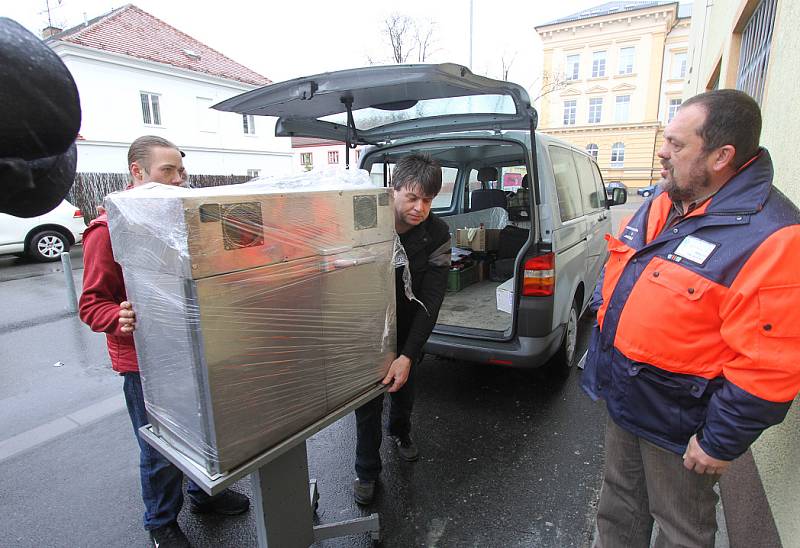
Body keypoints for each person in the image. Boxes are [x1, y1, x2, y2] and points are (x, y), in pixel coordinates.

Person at [582, 89, 800, 547]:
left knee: (682, 529)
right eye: (666, 140)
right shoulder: (668, 200)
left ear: (722, 156)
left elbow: (770, 363)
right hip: (626, 397)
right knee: (617, 508)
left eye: (678, 145)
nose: (663, 153)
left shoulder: (775, 236)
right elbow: (620, 270)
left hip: (682, 420)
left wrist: (720, 440)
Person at [79, 136, 249, 548]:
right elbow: (90, 303)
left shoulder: (178, 220)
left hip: (190, 350)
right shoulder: (106, 232)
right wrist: (114, 316)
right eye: (167, 171)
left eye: (180, 171)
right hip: (146, 363)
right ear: (137, 173)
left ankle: (202, 494)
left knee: (203, 428)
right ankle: (159, 522)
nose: (178, 180)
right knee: (160, 446)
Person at [353, 153, 451, 505]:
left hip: (410, 324)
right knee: (367, 404)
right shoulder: (364, 219)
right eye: (412, 197)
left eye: (427, 199)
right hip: (368, 328)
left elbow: (433, 295)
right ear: (393, 190)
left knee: (404, 388)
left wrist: (409, 354)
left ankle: (401, 431)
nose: (420, 207)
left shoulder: (437, 232)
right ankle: (366, 469)